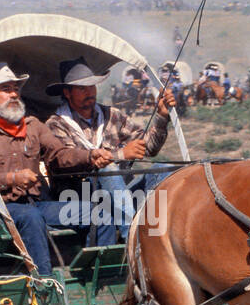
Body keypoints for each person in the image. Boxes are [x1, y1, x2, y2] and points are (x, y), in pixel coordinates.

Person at [0, 62, 110, 275]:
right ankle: (45, 284)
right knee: (30, 217)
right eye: (6, 89)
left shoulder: (33, 126)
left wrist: (90, 155)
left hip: (38, 206)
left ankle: (99, 276)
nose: (13, 94)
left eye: (15, 89)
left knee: (100, 213)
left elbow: (59, 155)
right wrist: (13, 178)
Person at [47, 58, 175, 244]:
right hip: (80, 198)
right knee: (108, 170)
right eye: (82, 88)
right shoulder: (56, 125)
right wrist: (121, 155)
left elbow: (149, 147)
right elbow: (66, 162)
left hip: (121, 194)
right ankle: (133, 240)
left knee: (164, 170)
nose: (89, 92)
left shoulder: (111, 116)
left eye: (92, 86)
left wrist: (162, 116)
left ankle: (159, 235)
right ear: (67, 93)